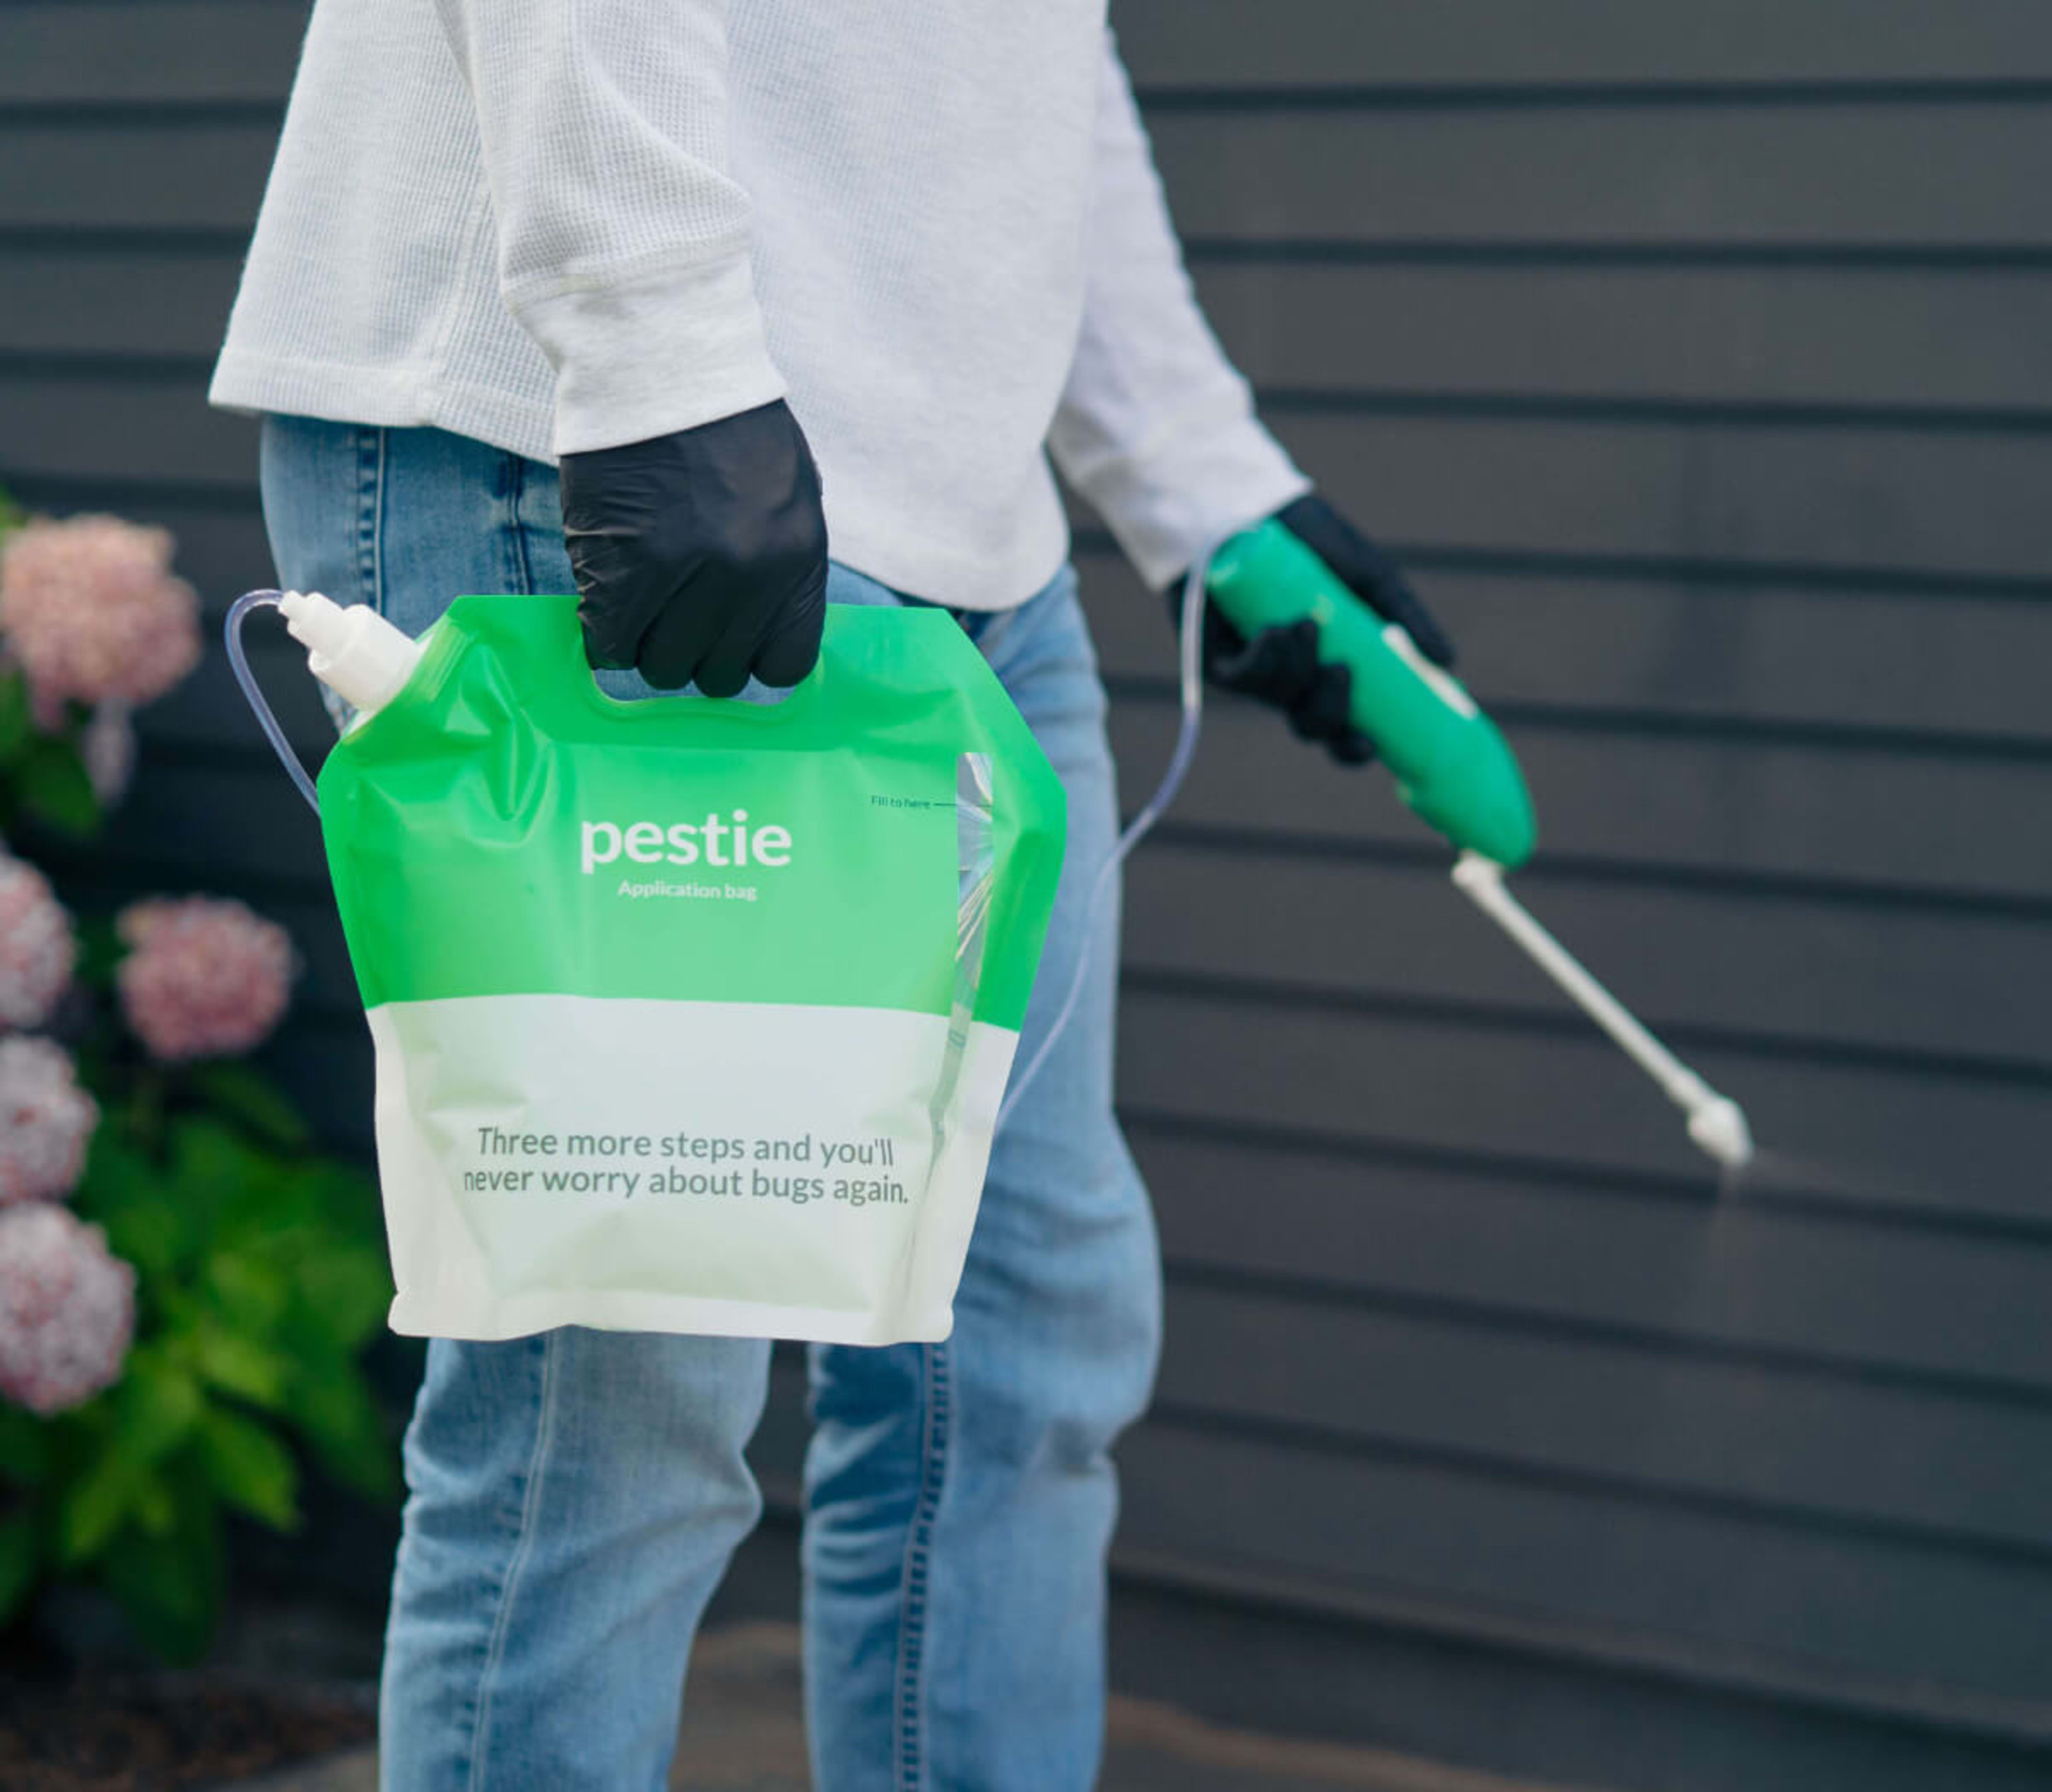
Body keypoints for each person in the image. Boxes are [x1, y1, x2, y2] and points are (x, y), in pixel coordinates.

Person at [211, 4, 1455, 1787]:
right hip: (600, 427)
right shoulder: (642, 371)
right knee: (622, 1401)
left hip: (956, 521)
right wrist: (655, 353)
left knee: (1021, 1333)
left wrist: (1204, 485)